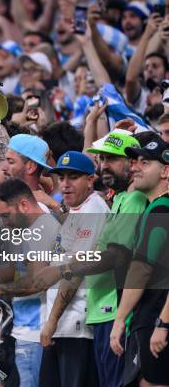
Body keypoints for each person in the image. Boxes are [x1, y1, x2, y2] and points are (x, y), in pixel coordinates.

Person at [0, 178, 61, 387]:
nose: (4, 221)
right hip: (19, 329)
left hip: (34, 332)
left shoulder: (44, 227)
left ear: (24, 205)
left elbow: (37, 283)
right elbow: (13, 270)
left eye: (6, 215)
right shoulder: (26, 230)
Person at [39, 151, 109, 387]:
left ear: (91, 179)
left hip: (77, 325)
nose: (65, 184)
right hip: (64, 325)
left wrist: (51, 321)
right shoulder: (77, 209)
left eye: (74, 177)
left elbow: (75, 272)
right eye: (62, 177)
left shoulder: (93, 209)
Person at [109, 136, 169, 387]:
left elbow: (141, 269)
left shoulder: (160, 210)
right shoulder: (155, 208)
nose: (135, 167)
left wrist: (120, 318)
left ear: (166, 170)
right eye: (135, 161)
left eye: (146, 162)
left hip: (153, 320)